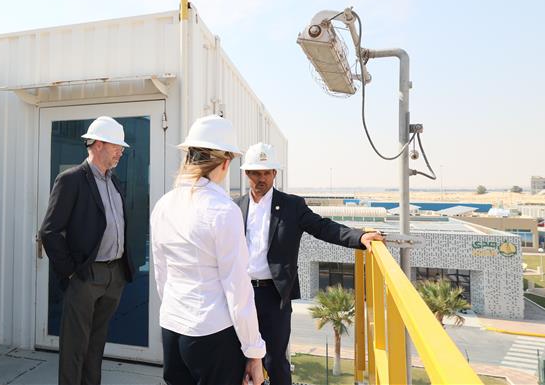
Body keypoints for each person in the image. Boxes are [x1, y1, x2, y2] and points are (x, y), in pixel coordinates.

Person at [235, 142, 385, 385]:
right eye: (255, 172)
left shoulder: (292, 206)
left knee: (275, 361)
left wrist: (358, 236)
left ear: (275, 173)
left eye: (266, 172)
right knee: (240, 357)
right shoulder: (236, 206)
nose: (261, 178)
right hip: (241, 294)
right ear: (246, 174)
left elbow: (322, 227)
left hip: (274, 295)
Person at [151, 115, 266, 385]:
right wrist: (254, 353)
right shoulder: (224, 210)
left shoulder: (164, 205)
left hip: (172, 328)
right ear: (225, 162)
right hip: (212, 335)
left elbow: (161, 275)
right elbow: (238, 290)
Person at [39, 116, 135, 385]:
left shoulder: (113, 181)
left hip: (113, 276)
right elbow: (49, 231)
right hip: (85, 277)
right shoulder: (71, 180)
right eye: (117, 146)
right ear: (99, 144)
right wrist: (70, 273)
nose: (121, 151)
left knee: (95, 348)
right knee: (74, 350)